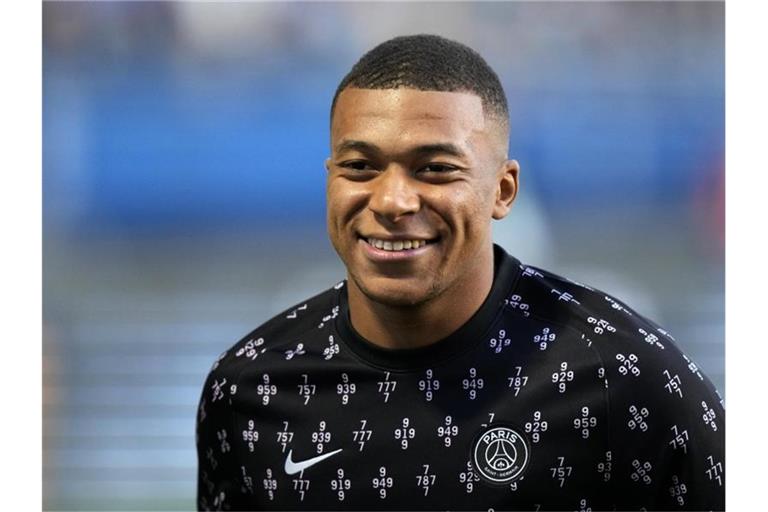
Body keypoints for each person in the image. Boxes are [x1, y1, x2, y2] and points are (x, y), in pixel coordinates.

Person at [196, 34, 724, 511]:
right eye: (360, 167)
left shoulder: (627, 378)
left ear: (503, 191)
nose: (393, 201)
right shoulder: (249, 388)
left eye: (435, 169)